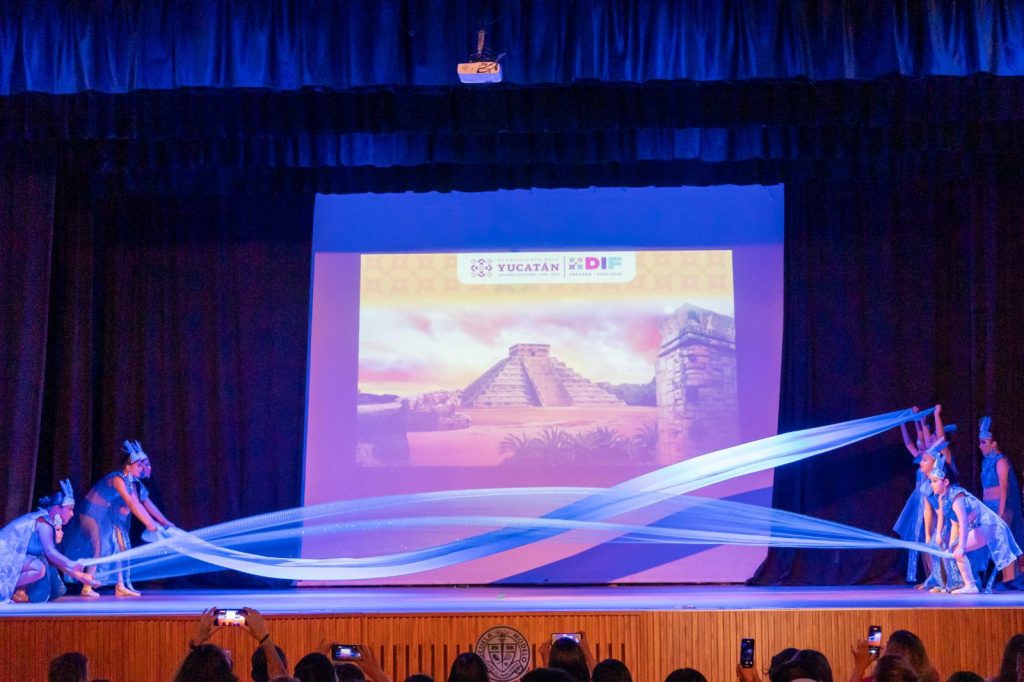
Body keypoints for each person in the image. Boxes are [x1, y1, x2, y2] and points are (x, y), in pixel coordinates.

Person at [63, 440, 169, 597]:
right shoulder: (118, 478)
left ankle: (120, 585)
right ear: (128, 466)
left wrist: (164, 522)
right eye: (139, 465)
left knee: (122, 547)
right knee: (98, 547)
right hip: (91, 513)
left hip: (107, 516)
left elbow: (144, 503)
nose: (142, 468)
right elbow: (132, 503)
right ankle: (86, 587)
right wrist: (150, 524)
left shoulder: (132, 483)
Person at [929, 462, 1023, 593]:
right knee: (954, 549)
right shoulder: (945, 497)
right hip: (978, 526)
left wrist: (960, 547)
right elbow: (955, 524)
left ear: (945, 482)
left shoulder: (956, 497)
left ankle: (970, 585)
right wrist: (951, 547)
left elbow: (963, 522)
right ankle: (962, 584)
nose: (931, 484)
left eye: (934, 481)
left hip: (988, 525)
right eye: (931, 481)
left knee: (958, 549)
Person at [0, 480, 97, 603]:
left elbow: (53, 559)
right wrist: (73, 568)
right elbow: (50, 552)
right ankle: (4, 588)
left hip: (10, 557)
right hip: (4, 555)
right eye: (69, 509)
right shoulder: (43, 523)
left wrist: (79, 575)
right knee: (38, 567)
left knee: (41, 566)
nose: (72, 514)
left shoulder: (47, 522)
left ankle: (9, 589)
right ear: (57, 509)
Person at [177, 606, 288, 682]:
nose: (229, 652)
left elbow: (182, 676)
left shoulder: (186, 675)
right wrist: (264, 637)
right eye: (227, 660)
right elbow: (281, 679)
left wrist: (198, 641)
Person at [978, 417, 1024, 589]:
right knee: (993, 543)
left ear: (994, 443)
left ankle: (1009, 579)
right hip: (988, 506)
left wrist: (1001, 512)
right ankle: (1006, 579)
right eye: (980, 442)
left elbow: (1004, 487)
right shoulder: (985, 462)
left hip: (1001, 506)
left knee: (1003, 542)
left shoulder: (1001, 461)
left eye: (984, 442)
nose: (980, 446)